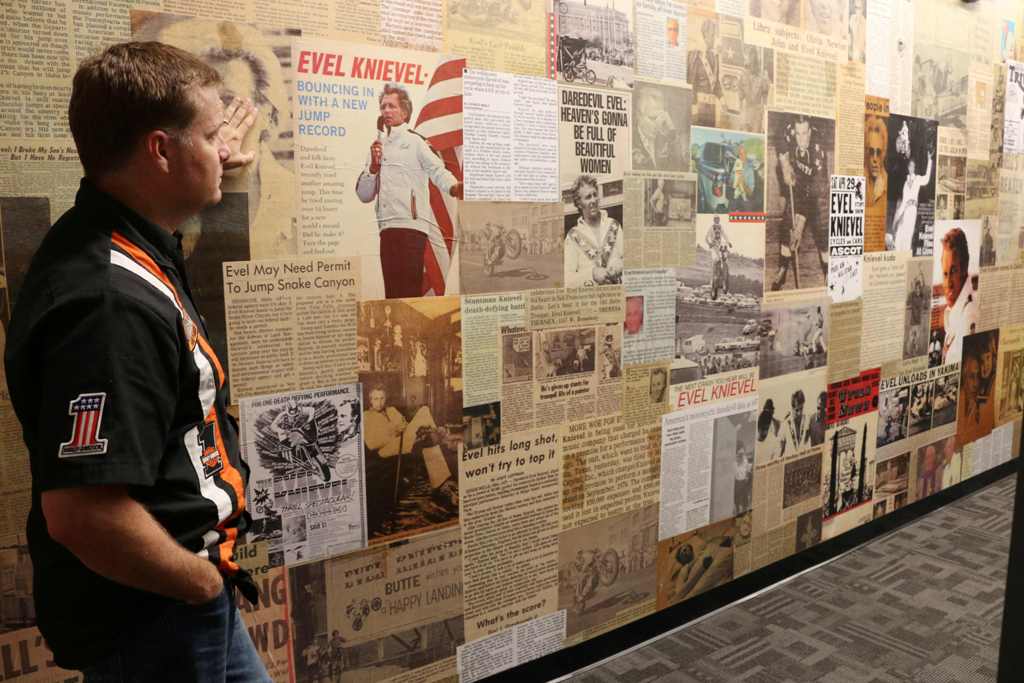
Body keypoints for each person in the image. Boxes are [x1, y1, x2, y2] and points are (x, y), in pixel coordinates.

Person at [4, 42, 270, 679]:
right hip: (159, 617)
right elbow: (83, 515)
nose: (225, 149)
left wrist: (208, 166)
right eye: (211, 137)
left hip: (171, 605)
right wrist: (200, 585)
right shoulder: (107, 301)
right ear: (159, 150)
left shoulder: (114, 235)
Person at [355, 83, 464, 298]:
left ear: (404, 112)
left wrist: (453, 187)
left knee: (409, 295)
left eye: (391, 106)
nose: (386, 111)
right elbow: (364, 195)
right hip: (387, 230)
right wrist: (372, 169)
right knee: (393, 297)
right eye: (383, 106)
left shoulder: (416, 142)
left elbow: (437, 170)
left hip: (411, 229)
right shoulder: (377, 147)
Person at [362, 385, 458, 535]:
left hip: (403, 441)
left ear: (385, 399)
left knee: (424, 411)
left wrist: (404, 428)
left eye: (382, 398)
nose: (379, 402)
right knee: (427, 435)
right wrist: (394, 430)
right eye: (375, 399)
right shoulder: (366, 416)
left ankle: (436, 443)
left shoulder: (392, 410)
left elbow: (405, 426)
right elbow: (372, 443)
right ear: (370, 400)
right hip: (386, 449)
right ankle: (442, 439)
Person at [771, 115, 828, 290]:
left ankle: (828, 270)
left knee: (821, 232)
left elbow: (812, 192)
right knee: (787, 226)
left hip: (815, 191)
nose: (801, 139)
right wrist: (784, 163)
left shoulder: (818, 151)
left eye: (805, 133)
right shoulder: (789, 130)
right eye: (798, 134)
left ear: (810, 132)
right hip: (796, 182)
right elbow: (779, 136)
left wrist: (801, 223)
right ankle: (782, 268)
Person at [564, 175, 624, 287]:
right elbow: (567, 279)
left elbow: (630, 260)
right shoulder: (572, 236)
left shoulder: (614, 225)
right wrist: (591, 274)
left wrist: (619, 266)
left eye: (595, 195)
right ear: (579, 204)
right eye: (588, 197)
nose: (593, 200)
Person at [939, 227, 978, 363]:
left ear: (964, 269)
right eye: (945, 274)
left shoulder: (969, 315)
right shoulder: (954, 312)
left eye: (954, 271)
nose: (948, 283)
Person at [269, 398, 331, 481]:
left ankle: (315, 456)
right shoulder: (282, 415)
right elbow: (273, 426)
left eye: (295, 412)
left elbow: (311, 409)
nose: (294, 414)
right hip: (287, 436)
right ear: (288, 409)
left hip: (299, 432)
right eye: (292, 412)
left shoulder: (301, 410)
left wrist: (310, 419)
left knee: (310, 440)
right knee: (292, 449)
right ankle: (297, 458)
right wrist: (282, 431)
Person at [633, 88, 686, 172]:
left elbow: (681, 169)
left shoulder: (665, 140)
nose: (658, 124)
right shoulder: (631, 141)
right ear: (638, 115)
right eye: (653, 118)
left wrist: (672, 132)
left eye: (662, 118)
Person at [891, 149, 934, 253]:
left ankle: (905, 255)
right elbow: (903, 199)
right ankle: (897, 255)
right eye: (910, 166)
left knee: (908, 234)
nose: (912, 168)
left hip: (912, 210)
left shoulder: (918, 179)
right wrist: (899, 213)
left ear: (915, 168)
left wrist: (929, 161)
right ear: (908, 167)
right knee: (900, 233)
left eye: (913, 166)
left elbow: (927, 179)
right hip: (904, 210)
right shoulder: (905, 182)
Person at [686, 20, 723, 99]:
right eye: (712, 35)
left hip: (711, 103)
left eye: (715, 36)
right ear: (705, 35)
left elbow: (716, 83)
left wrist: (722, 98)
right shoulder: (694, 56)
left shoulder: (715, 56)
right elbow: (691, 83)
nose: (715, 39)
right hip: (697, 101)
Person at [865, 116, 888, 216]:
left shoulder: (886, 182)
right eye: (871, 151)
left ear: (883, 154)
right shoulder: (861, 178)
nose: (874, 159)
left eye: (878, 152)